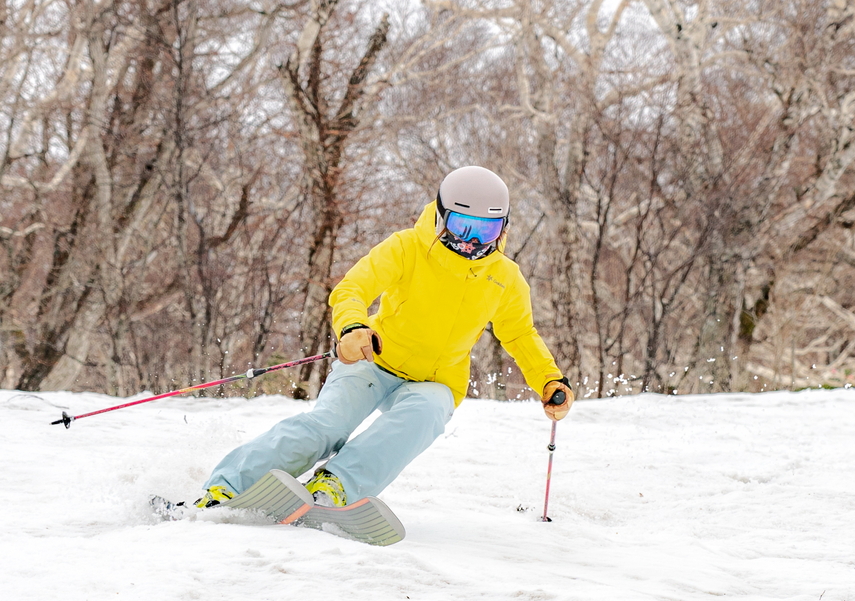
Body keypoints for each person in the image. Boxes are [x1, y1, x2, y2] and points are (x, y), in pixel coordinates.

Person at [195, 165, 573, 508]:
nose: (472, 241)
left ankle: (335, 487)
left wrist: (548, 379)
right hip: (374, 359)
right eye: (462, 226)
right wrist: (352, 328)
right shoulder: (408, 248)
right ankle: (227, 487)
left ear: (503, 228)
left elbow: (520, 334)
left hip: (436, 380)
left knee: (424, 415)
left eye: (485, 230)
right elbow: (352, 289)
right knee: (328, 426)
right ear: (441, 217)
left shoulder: (505, 278)